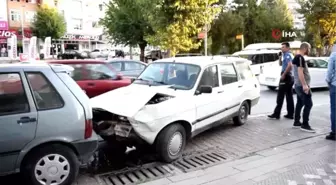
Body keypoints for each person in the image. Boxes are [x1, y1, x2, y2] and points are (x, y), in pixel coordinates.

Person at [292, 42, 315, 132]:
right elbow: (300, 72)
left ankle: (296, 122)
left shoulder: (296, 57)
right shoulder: (300, 57)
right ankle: (305, 124)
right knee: (309, 104)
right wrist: (305, 85)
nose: (309, 50)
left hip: (298, 85)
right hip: (301, 85)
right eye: (309, 48)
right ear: (305, 48)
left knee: (300, 103)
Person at [268, 42, 294, 119]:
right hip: (289, 77)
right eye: (281, 47)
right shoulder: (285, 55)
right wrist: (280, 57)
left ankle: (276, 114)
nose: (281, 48)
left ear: (287, 48)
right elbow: (281, 64)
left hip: (286, 77)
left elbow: (290, 65)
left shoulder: (288, 55)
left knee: (280, 96)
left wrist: (284, 74)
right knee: (289, 96)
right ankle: (290, 114)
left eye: (283, 47)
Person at [326, 43, 336, 140]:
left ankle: (334, 132)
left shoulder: (334, 55)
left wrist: (328, 81)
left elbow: (329, 72)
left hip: (335, 85)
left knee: (334, 109)